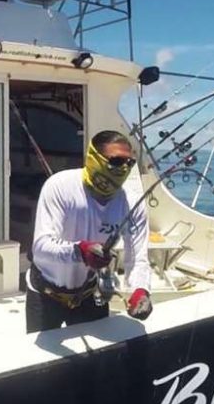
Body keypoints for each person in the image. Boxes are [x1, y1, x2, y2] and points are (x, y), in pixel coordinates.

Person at [26, 130, 153, 333]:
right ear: (95, 158)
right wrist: (80, 252)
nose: (124, 168)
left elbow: (138, 258)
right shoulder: (59, 185)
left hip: (91, 294)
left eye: (130, 163)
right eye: (117, 161)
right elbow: (41, 247)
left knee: (98, 362)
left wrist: (141, 289)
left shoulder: (133, 202)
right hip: (45, 295)